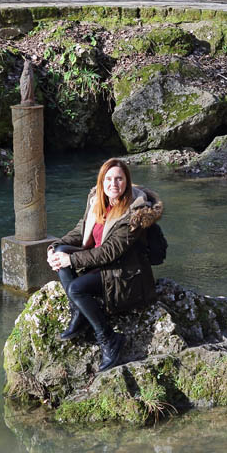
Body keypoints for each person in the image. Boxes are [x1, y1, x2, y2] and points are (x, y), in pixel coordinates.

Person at [47, 158, 161, 372]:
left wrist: (71, 260)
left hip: (125, 273)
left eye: (119, 178)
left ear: (127, 181)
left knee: (76, 288)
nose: (113, 184)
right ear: (101, 182)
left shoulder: (135, 214)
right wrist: (55, 247)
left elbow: (110, 252)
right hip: (101, 264)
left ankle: (109, 338)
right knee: (61, 253)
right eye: (108, 179)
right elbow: (80, 232)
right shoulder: (97, 202)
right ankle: (79, 313)